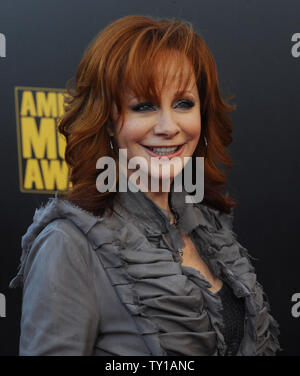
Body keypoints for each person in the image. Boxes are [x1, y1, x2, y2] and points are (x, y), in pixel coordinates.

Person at [10, 15, 281, 356]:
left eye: (183, 103)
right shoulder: (68, 244)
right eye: (144, 106)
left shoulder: (209, 226)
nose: (168, 126)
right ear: (108, 121)